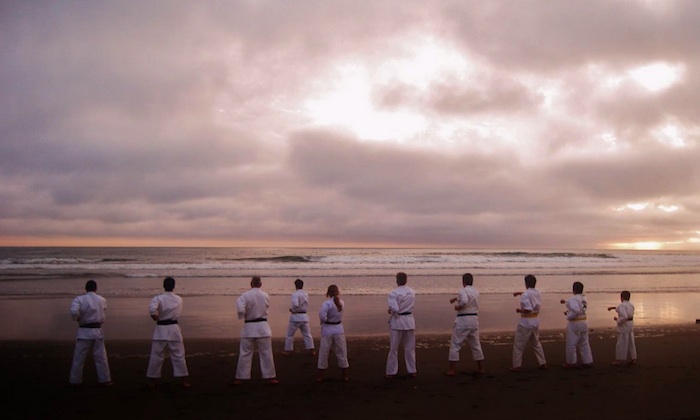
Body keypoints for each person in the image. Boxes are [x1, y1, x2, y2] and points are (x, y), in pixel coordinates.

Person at [146, 277, 190, 388]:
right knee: (179, 356)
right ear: (173, 286)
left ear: (164, 286)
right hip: (174, 328)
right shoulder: (178, 299)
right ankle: (184, 380)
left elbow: (152, 309)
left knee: (156, 356)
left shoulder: (158, 298)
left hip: (161, 329)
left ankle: (152, 381)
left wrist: (155, 317)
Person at [234, 276, 279, 385]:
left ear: (251, 284)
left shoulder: (244, 296)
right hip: (263, 327)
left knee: (245, 354)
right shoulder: (266, 296)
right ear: (260, 284)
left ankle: (240, 378)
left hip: (249, 327)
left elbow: (240, 309)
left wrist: (243, 315)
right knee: (266, 354)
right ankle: (270, 377)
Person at [69, 280, 113, 386]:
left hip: (84, 330)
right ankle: (105, 379)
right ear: (95, 288)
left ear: (86, 288)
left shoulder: (79, 299)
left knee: (79, 358)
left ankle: (75, 380)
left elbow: (74, 311)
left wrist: (78, 318)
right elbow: (104, 309)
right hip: (97, 330)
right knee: (101, 357)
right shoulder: (102, 300)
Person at [446, 273, 485, 376]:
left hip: (463, 319)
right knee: (476, 344)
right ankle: (481, 368)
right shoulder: (476, 292)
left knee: (455, 344)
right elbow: (469, 299)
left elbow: (464, 301)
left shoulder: (462, 291)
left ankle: (452, 370)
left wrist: (458, 307)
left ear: (463, 281)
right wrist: (456, 299)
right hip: (474, 319)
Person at [510, 274, 548, 372]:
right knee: (536, 343)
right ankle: (542, 362)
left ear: (526, 283)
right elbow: (531, 296)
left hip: (526, 322)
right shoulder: (538, 292)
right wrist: (520, 293)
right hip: (535, 320)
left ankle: (517, 365)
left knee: (518, 345)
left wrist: (519, 310)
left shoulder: (525, 295)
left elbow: (528, 309)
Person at [385, 272, 416, 378]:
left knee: (394, 348)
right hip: (409, 320)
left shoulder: (393, 293)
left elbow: (395, 308)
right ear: (406, 280)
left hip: (398, 321)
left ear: (397, 280)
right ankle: (412, 370)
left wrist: (391, 311)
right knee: (409, 347)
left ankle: (391, 372)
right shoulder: (412, 292)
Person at [317, 285, 349, 382]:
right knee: (342, 352)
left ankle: (320, 376)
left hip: (328, 329)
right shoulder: (341, 303)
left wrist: (324, 322)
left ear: (328, 293)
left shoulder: (326, 304)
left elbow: (322, 317)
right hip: (339, 328)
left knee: (324, 352)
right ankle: (345, 375)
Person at [561, 281, 593, 368]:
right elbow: (578, 307)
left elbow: (576, 310)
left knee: (571, 343)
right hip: (584, 321)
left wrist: (568, 315)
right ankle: (588, 360)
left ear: (573, 289)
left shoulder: (573, 299)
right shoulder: (584, 298)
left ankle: (571, 362)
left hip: (575, 323)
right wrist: (566, 302)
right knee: (584, 342)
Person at [283, 279, 315, 356]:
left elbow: (296, 304)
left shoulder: (295, 294)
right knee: (307, 334)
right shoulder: (305, 294)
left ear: (295, 285)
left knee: (290, 334)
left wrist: (292, 309)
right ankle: (311, 349)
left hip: (296, 317)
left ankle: (288, 350)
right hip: (304, 316)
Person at [607, 290, 637, 365]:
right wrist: (612, 308)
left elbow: (624, 316)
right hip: (630, 324)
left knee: (621, 342)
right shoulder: (631, 305)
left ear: (622, 297)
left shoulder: (622, 305)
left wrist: (618, 320)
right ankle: (633, 358)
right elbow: (620, 309)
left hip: (624, 325)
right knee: (631, 342)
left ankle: (619, 360)